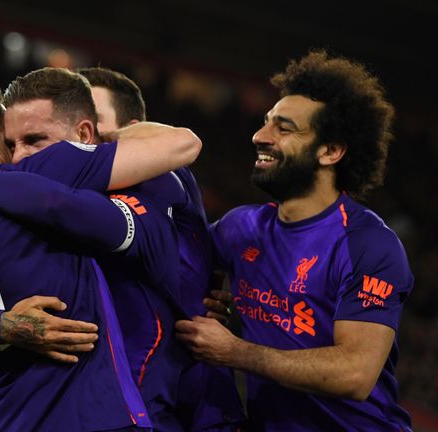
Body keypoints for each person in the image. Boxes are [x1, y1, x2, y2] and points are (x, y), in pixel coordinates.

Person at [0, 77, 201, 431]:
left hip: (2, 419)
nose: (20, 154)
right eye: (12, 142)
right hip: (96, 414)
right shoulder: (37, 174)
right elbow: (183, 143)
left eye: (33, 140)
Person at [175, 49, 413, 431]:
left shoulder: (367, 243)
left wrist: (235, 350)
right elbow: (177, 266)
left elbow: (355, 373)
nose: (259, 136)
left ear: (331, 151)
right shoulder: (241, 228)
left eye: (283, 129)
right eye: (266, 123)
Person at [78, 65, 246, 431]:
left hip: (169, 404)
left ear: (136, 130)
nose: (82, 137)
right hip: (141, 399)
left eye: (92, 122)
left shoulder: (162, 179)